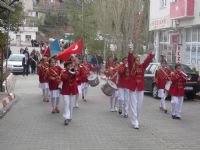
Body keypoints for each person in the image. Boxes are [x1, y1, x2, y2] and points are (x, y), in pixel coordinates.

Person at [128, 50, 155, 129]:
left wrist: (151, 55)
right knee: (133, 105)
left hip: (140, 89)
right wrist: (130, 52)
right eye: (136, 60)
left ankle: (135, 119)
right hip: (133, 89)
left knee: (138, 106)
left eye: (139, 60)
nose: (138, 61)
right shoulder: (131, 67)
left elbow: (147, 61)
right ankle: (134, 122)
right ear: (134, 61)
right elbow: (129, 59)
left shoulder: (142, 67)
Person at [61, 60, 78, 125]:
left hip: (73, 89)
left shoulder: (75, 71)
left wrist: (74, 72)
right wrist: (69, 72)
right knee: (66, 103)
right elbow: (63, 78)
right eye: (69, 66)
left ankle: (70, 116)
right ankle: (66, 118)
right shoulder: (63, 72)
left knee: (71, 104)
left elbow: (77, 75)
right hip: (66, 90)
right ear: (66, 66)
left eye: (71, 65)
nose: (70, 67)